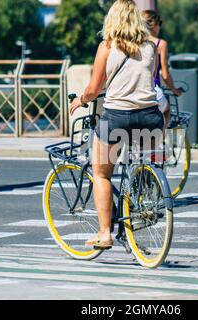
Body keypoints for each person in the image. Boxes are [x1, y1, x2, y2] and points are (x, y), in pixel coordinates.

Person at [69, 0, 163, 250]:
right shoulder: (151, 47)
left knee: (101, 173)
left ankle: (105, 233)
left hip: (118, 118)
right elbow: (149, 79)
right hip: (151, 118)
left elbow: (93, 89)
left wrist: (80, 100)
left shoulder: (106, 47)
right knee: (141, 160)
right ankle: (141, 192)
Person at [141, 10, 183, 128]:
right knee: (166, 110)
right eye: (160, 23)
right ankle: (160, 141)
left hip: (134, 88)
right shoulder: (160, 44)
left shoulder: (134, 41)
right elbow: (165, 74)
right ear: (154, 24)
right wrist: (174, 90)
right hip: (152, 89)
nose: (159, 27)